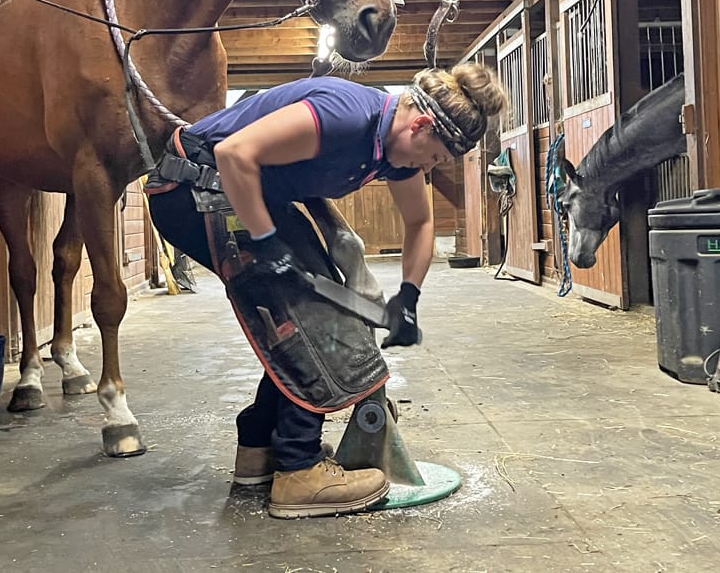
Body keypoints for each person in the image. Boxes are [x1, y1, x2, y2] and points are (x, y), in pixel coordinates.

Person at [145, 64, 506, 518]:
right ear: (419, 125)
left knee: (319, 312)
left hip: (242, 193)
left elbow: (420, 222)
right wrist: (264, 239)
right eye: (432, 157)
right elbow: (234, 153)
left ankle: (259, 447)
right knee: (318, 322)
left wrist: (408, 298)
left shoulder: (395, 152)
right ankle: (299, 470)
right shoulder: (345, 116)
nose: (428, 168)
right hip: (195, 188)